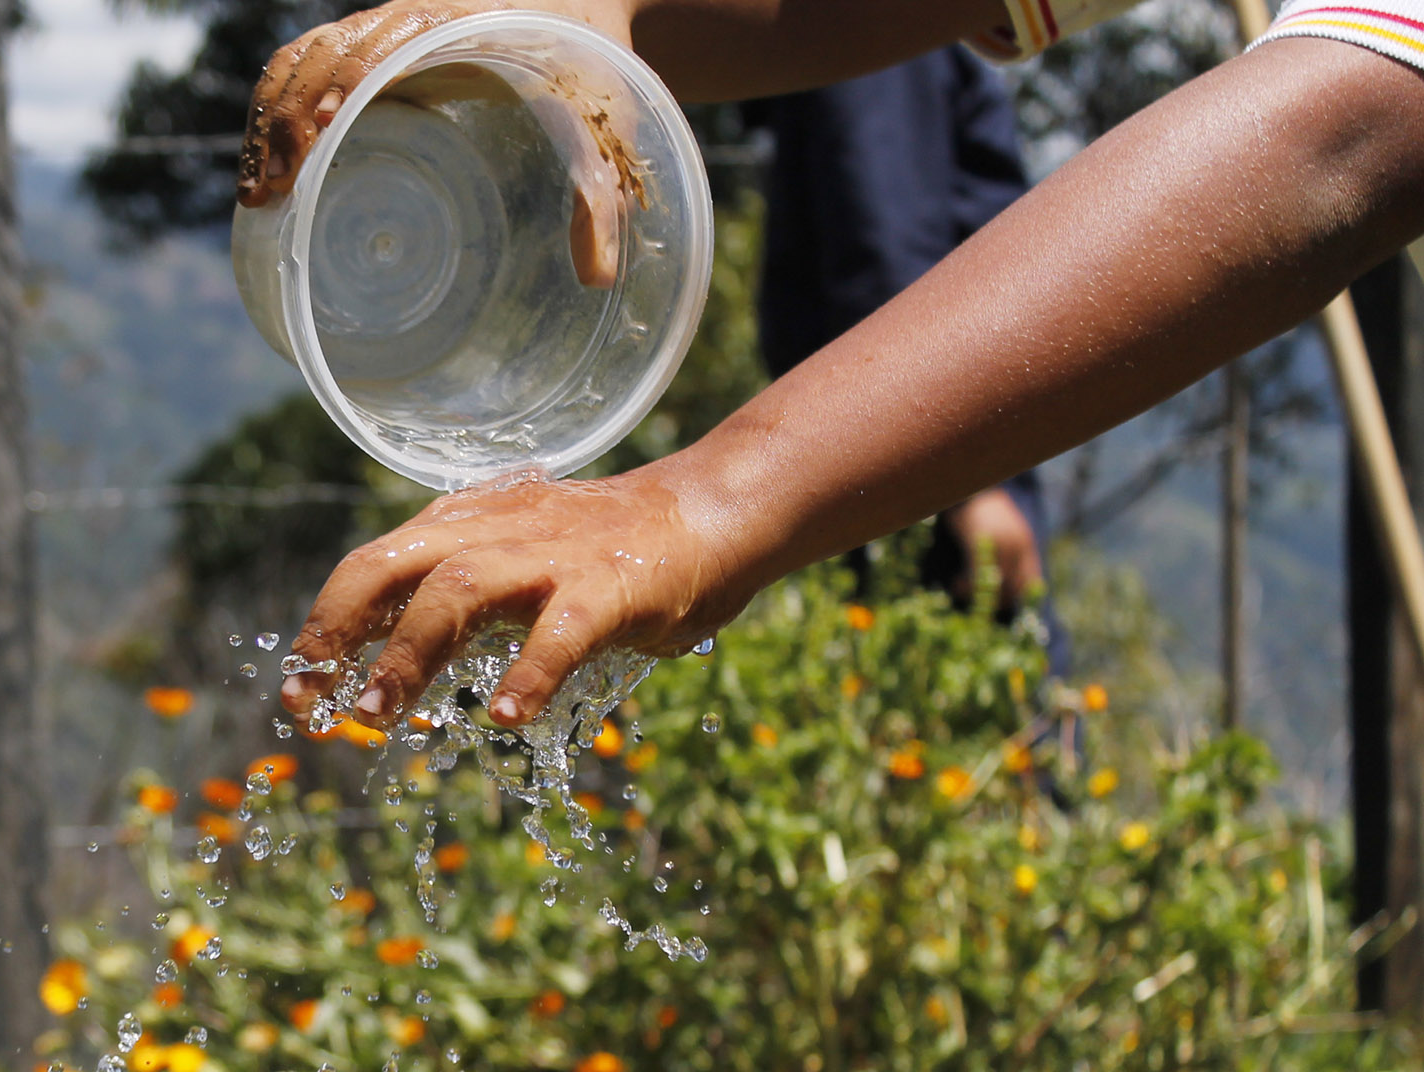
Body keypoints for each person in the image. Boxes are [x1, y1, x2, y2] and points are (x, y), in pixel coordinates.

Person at [247, 0, 1424, 735]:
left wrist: (713, 497)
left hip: (911, 441)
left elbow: (1350, 131)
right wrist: (587, 13)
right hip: (903, 436)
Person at [752, 48, 1051, 631]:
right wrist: (967, 484)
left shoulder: (888, 41)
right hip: (924, 457)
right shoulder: (888, 47)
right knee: (973, 691)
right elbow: (884, 256)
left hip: (916, 450)